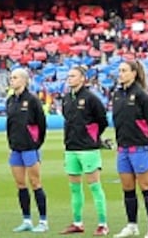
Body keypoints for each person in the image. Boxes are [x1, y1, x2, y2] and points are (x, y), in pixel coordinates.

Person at [112, 59, 148, 238]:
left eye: (124, 70)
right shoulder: (117, 94)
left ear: (134, 73)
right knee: (127, 188)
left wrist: (144, 138)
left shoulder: (141, 95)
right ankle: (132, 225)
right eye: (119, 71)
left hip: (140, 147)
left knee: (146, 186)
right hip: (123, 148)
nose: (121, 74)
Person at [60, 65, 110, 236]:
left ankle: (103, 224)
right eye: (68, 75)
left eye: (73, 75)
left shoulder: (91, 98)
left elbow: (102, 120)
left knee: (95, 186)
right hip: (71, 148)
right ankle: (77, 223)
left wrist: (93, 137)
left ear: (82, 78)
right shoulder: (66, 98)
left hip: (88, 148)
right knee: (74, 187)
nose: (69, 78)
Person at [6, 67, 49, 233]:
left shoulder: (32, 100)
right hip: (15, 148)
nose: (12, 80)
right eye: (11, 77)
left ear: (24, 80)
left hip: (30, 148)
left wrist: (36, 143)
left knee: (35, 183)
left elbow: (41, 124)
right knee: (20, 184)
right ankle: (27, 220)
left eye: (15, 77)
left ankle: (43, 221)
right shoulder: (10, 100)